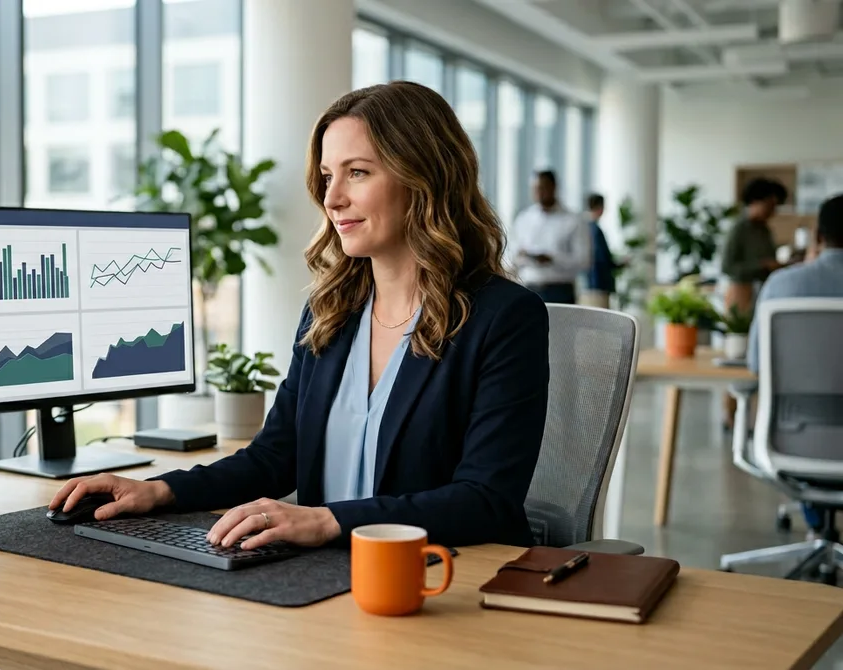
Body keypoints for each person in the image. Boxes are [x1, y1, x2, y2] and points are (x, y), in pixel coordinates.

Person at [49, 81, 550, 551]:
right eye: (329, 176)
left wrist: (325, 521)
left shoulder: (503, 318)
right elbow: (275, 456)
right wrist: (159, 491)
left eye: (358, 172)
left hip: (437, 580)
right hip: (322, 580)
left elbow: (486, 499)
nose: (332, 199)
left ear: (425, 177)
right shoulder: (330, 311)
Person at [745, 194, 843, 534]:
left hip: (794, 441)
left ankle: (818, 524)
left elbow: (756, 362)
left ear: (818, 236)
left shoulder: (782, 285)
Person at [721, 178, 792, 430]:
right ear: (756, 202)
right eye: (771, 204)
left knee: (761, 353)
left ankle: (754, 417)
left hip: (762, 292)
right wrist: (761, 265)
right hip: (740, 293)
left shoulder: (764, 230)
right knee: (737, 353)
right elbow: (727, 266)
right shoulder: (740, 228)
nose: (774, 210)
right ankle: (730, 415)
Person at [509, 170, 590, 304]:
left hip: (560, 291)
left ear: (554, 187)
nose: (539, 193)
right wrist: (523, 256)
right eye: (535, 189)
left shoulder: (573, 220)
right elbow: (512, 255)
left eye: (543, 188)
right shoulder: (523, 219)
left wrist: (553, 259)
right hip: (528, 288)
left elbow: (584, 261)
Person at [579, 193, 616, 309]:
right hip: (598, 285)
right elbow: (601, 259)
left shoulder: (582, 227)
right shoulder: (595, 230)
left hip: (585, 285)